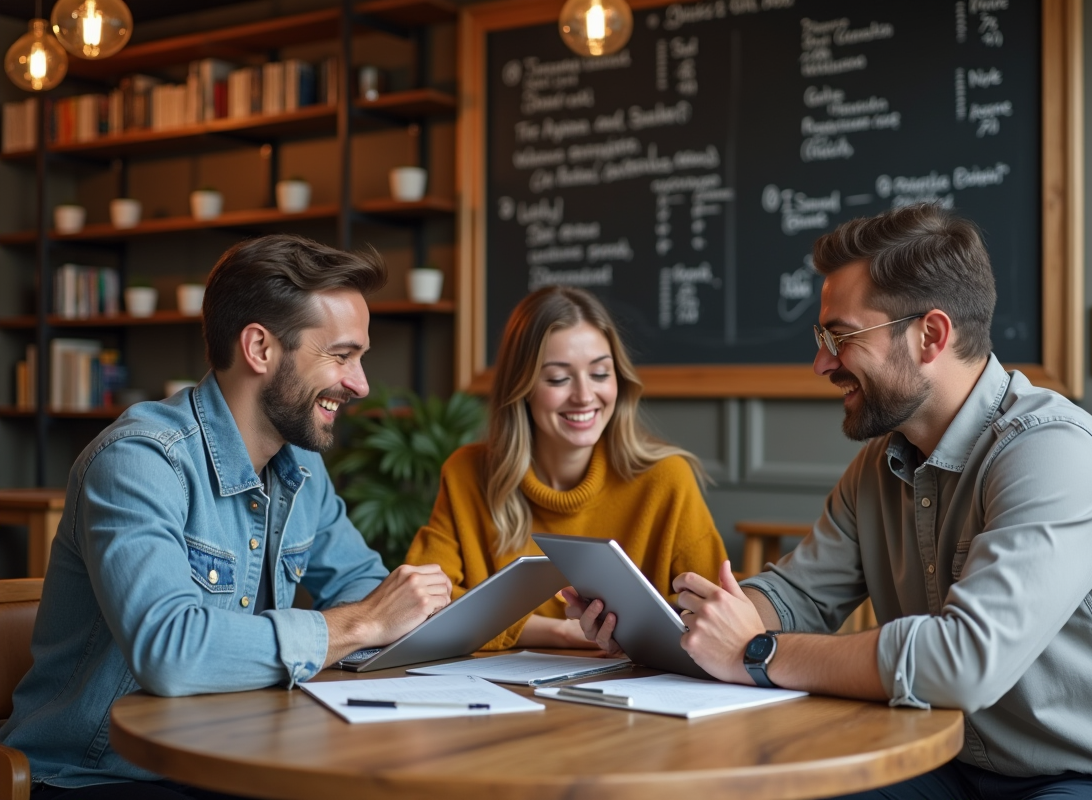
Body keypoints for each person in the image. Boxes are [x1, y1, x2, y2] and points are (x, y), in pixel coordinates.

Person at [581, 204, 1092, 798]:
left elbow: (963, 661)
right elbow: (798, 596)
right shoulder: (882, 462)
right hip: (959, 763)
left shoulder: (1055, 453)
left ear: (930, 335)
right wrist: (672, 627)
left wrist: (756, 652)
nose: (821, 363)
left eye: (841, 337)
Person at [1, 234, 452, 798]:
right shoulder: (139, 462)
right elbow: (170, 651)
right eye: (341, 356)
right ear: (260, 348)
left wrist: (414, 615)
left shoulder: (302, 466)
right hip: (95, 775)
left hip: (234, 754)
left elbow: (364, 586)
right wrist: (360, 625)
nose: (360, 383)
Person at [405, 285, 728, 650]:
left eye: (600, 374)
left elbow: (716, 614)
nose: (585, 396)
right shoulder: (467, 473)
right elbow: (421, 605)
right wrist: (560, 632)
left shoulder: (667, 479)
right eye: (559, 378)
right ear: (522, 386)